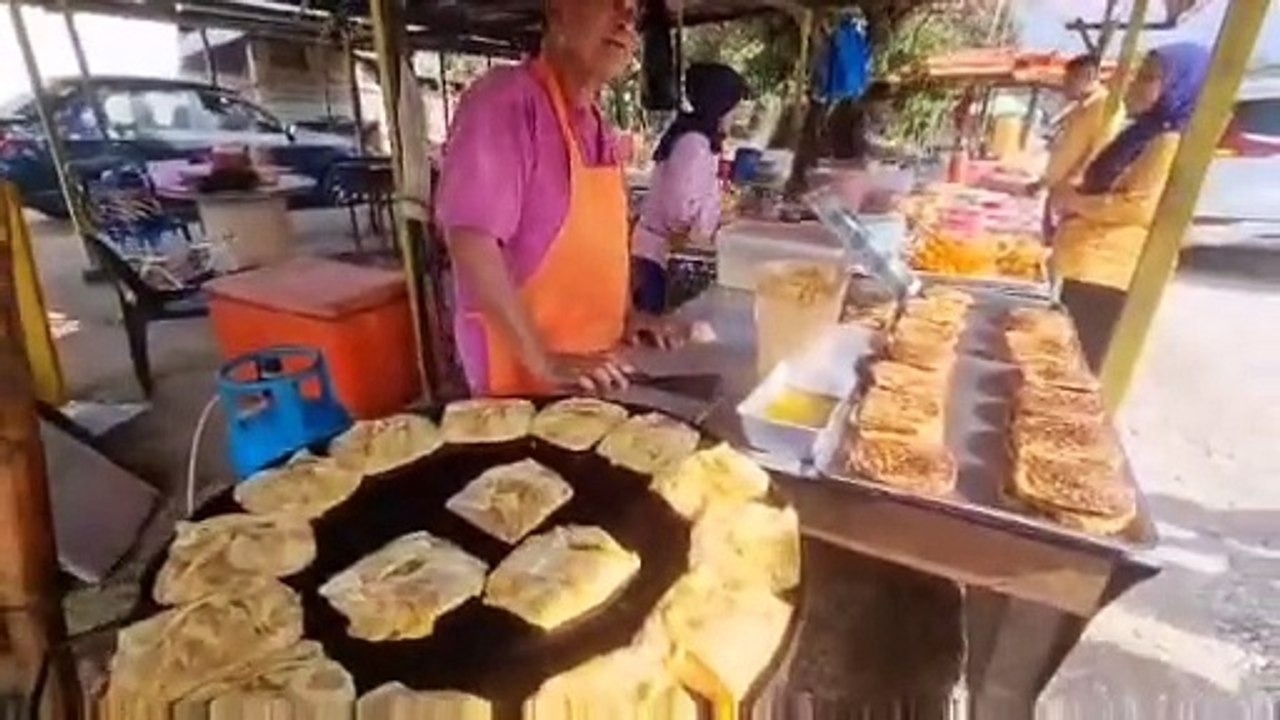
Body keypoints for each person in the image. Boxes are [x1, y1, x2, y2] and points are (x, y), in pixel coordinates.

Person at [437, 0, 687, 397]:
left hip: (599, 374)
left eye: (633, 10)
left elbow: (603, 246)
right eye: (611, 2)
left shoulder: (597, 123)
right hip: (523, 385)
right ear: (557, 11)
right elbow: (471, 241)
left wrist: (626, 316)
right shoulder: (505, 102)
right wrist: (543, 360)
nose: (625, 19)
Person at [1051, 43, 1210, 370]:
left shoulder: (1168, 141)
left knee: (1073, 373)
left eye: (1149, 78)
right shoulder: (1143, 133)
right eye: (1139, 75)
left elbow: (1138, 207)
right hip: (1088, 262)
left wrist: (1075, 201)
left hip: (1108, 272)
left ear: (1179, 85)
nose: (1136, 84)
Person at [632, 62, 748, 315]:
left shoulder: (697, 137)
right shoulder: (694, 144)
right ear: (719, 106)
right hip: (660, 257)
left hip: (659, 251)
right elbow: (679, 211)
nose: (734, 116)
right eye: (733, 109)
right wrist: (705, 227)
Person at [1031, 54, 1122, 201]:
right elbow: (1067, 151)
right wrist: (1045, 182)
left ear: (1089, 76)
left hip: (1074, 193)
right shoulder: (1079, 107)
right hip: (1059, 190)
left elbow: (1099, 151)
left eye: (1069, 80)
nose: (1065, 86)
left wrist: (1072, 183)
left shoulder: (1107, 107)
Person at [827, 81, 899, 165]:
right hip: (847, 163)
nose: (886, 110)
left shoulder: (852, 105)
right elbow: (863, 148)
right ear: (876, 101)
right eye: (886, 105)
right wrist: (891, 152)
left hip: (840, 158)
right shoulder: (858, 114)